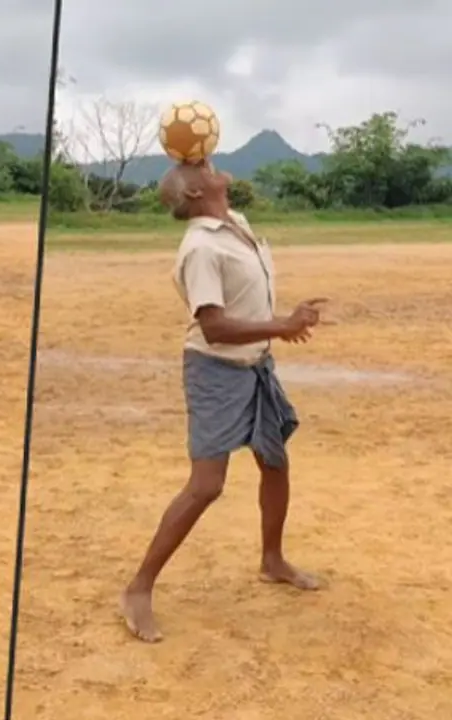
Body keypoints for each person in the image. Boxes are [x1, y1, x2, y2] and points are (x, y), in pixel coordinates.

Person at [119, 161, 327, 643]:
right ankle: (138, 588)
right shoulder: (200, 247)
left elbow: (244, 305)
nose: (215, 166)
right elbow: (213, 327)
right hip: (215, 372)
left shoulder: (236, 224)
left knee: (275, 462)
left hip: (256, 364)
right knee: (206, 486)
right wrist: (282, 325)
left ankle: (272, 561)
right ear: (194, 190)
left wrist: (280, 324)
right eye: (205, 167)